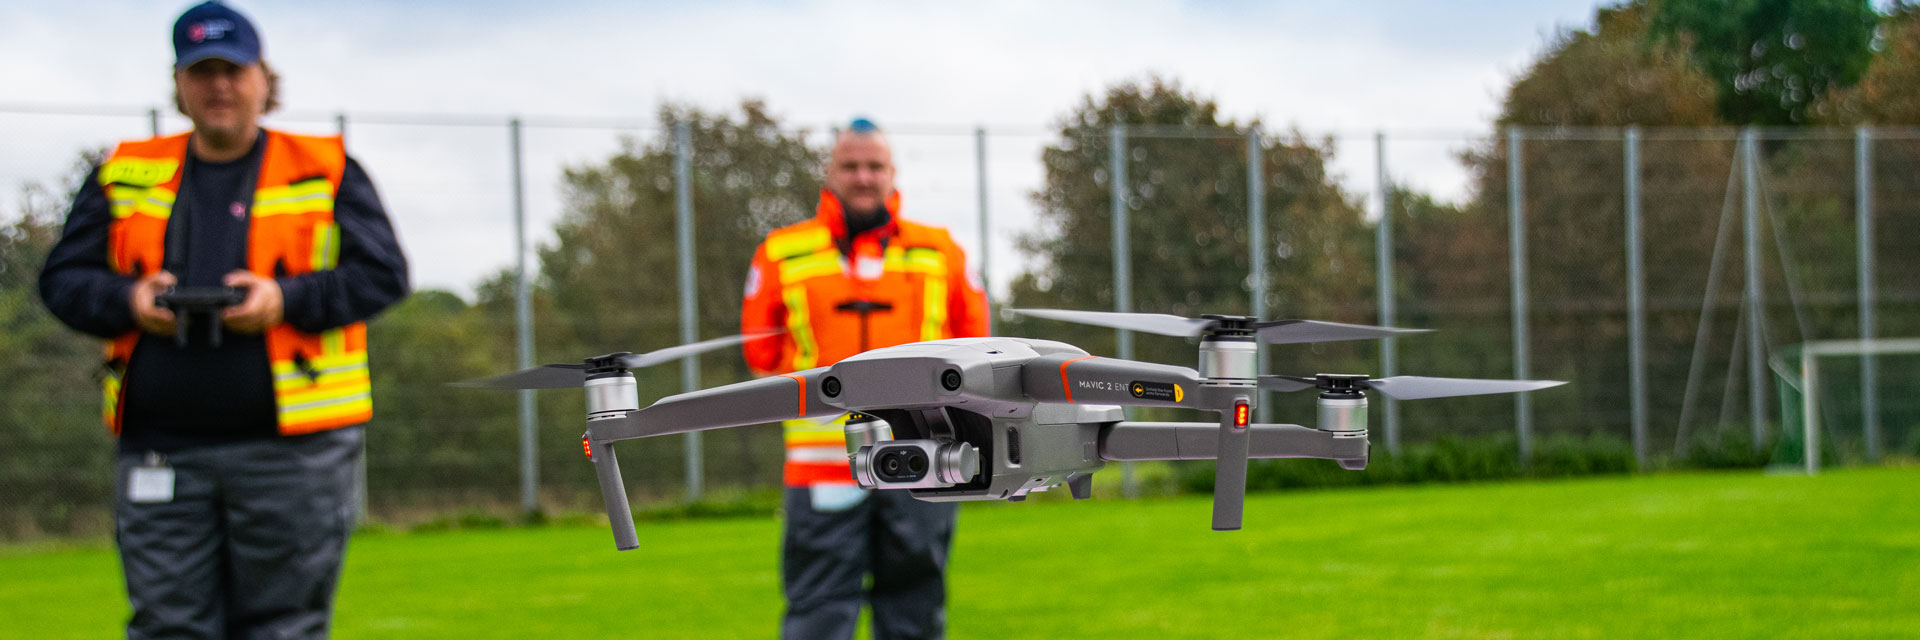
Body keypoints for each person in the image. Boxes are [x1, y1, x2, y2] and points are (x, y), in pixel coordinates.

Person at [37, 2, 409, 637]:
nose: (219, 86)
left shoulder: (326, 166)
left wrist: (283, 300)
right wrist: (131, 302)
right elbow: (63, 282)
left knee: (283, 627)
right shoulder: (123, 171)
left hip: (294, 454)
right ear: (178, 84)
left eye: (233, 70)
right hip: (161, 448)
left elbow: (382, 276)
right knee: (166, 627)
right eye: (201, 71)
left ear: (265, 78)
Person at [741, 118, 990, 640]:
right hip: (824, 467)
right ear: (830, 172)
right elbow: (760, 352)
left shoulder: (940, 251)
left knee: (915, 609)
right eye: (851, 165)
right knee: (819, 609)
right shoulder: (782, 252)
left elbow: (976, 345)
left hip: (924, 459)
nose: (863, 176)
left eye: (874, 166)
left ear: (892, 172)